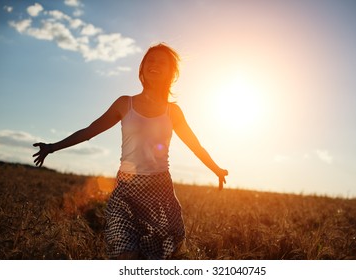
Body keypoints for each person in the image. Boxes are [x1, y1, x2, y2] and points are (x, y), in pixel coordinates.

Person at [32, 43, 228, 260]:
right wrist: (51, 147)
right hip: (126, 193)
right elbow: (89, 131)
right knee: (126, 255)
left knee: (163, 257)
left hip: (160, 194)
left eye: (161, 62)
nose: (154, 65)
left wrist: (217, 169)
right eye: (150, 61)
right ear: (142, 69)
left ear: (171, 73)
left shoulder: (173, 111)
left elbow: (195, 146)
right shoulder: (125, 103)